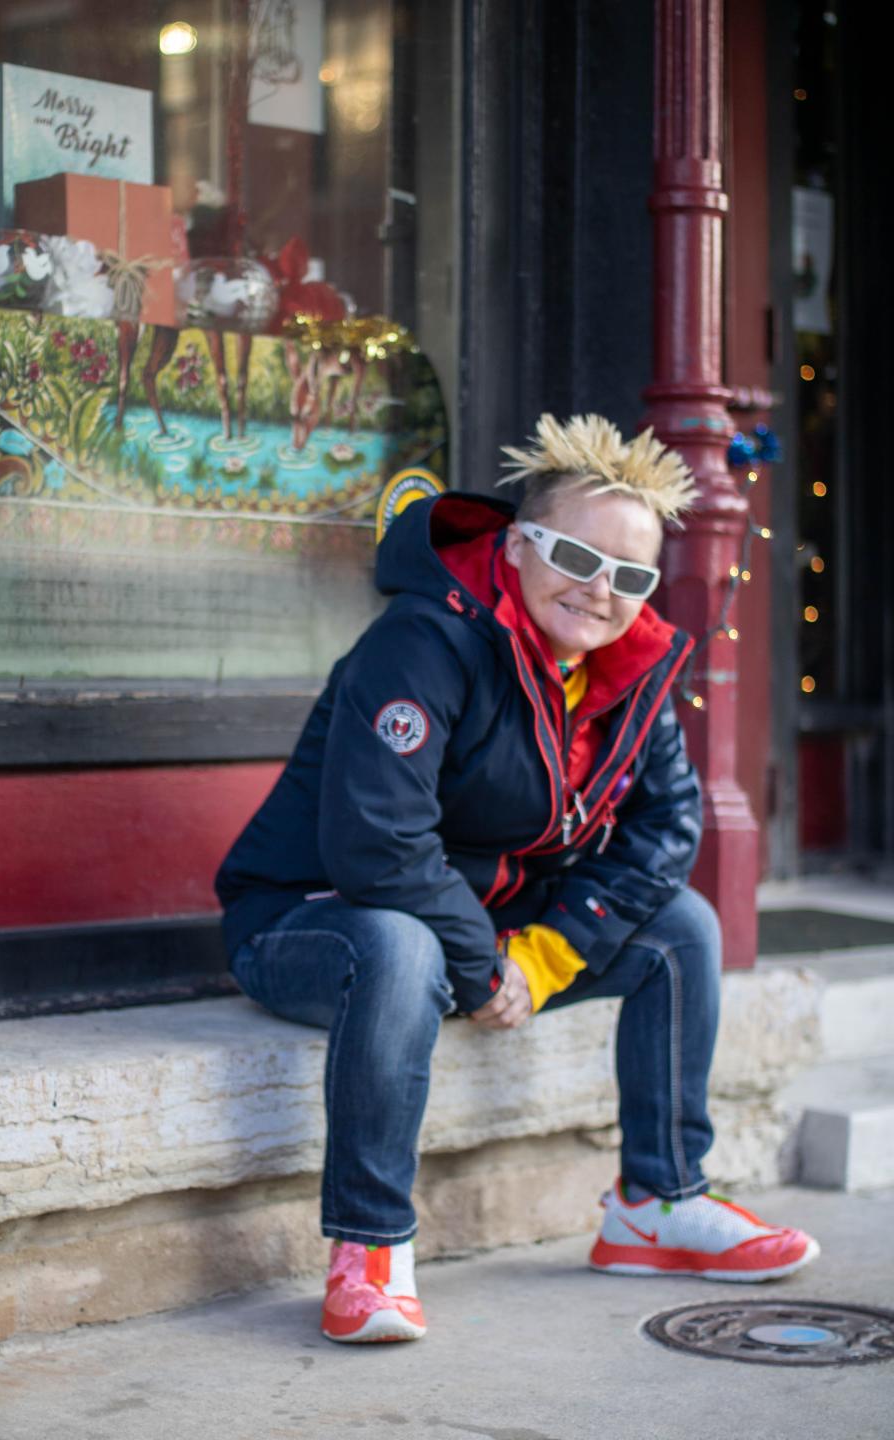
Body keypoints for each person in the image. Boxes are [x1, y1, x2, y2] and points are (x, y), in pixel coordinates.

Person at [216, 414, 819, 1345]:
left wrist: (541, 953)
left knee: (683, 929)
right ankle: (371, 1251)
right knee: (398, 941)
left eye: (629, 574)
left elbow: (667, 831)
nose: (600, 590)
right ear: (516, 540)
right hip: (313, 923)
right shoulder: (426, 638)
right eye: (577, 554)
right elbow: (379, 842)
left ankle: (655, 1205)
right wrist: (484, 964)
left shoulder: (633, 667)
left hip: (488, 933)